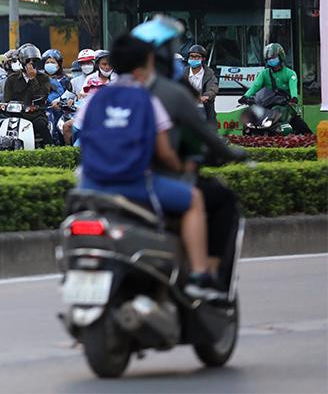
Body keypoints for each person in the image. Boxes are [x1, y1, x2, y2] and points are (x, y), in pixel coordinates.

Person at [75, 33, 220, 300]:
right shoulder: (146, 100)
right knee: (194, 199)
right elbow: (165, 153)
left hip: (90, 186)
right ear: (145, 66)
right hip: (134, 185)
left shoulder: (96, 98)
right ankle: (200, 274)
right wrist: (179, 168)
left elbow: (80, 136)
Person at [132, 15, 249, 286]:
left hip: (99, 186)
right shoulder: (171, 92)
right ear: (161, 53)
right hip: (151, 182)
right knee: (219, 199)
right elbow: (187, 145)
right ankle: (204, 274)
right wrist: (232, 153)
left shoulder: (110, 91)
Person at [239, 43, 312, 134]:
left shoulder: (290, 73)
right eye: (269, 60)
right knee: (248, 125)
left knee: (300, 125)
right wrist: (245, 96)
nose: (271, 61)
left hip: (285, 105)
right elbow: (255, 86)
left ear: (281, 57)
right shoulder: (264, 74)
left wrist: (294, 97)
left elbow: (293, 87)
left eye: (273, 59)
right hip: (267, 106)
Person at [3, 44, 54, 147]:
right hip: (16, 115)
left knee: (42, 125)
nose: (31, 64)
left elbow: (41, 96)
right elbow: (7, 99)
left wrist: (32, 79)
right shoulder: (12, 79)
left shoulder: (43, 78)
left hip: (35, 115)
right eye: (28, 61)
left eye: (34, 61)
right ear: (22, 63)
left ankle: (52, 151)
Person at [183, 44, 219, 124]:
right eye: (191, 56)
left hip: (203, 110)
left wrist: (206, 96)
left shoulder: (209, 74)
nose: (193, 59)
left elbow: (213, 87)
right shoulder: (182, 73)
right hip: (185, 108)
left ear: (203, 59)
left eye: (197, 57)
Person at [44, 49, 70, 145]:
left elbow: (70, 94)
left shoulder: (66, 80)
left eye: (52, 62)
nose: (49, 64)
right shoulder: (40, 79)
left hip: (61, 111)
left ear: (59, 64)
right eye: (47, 62)